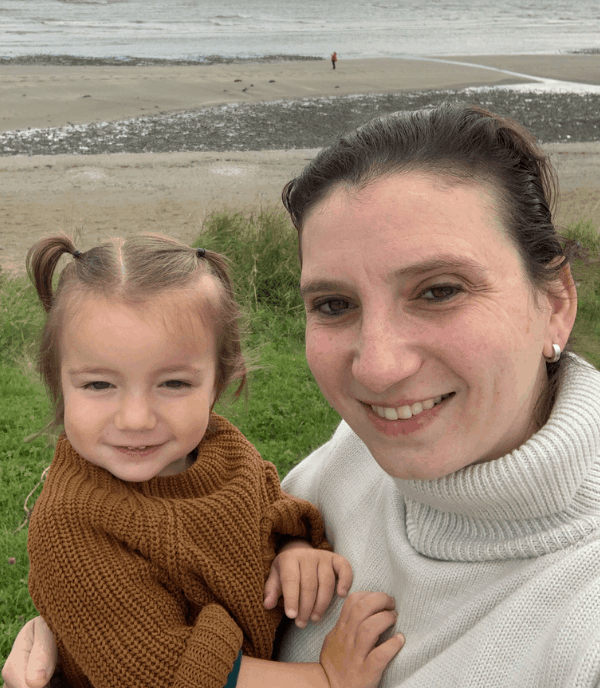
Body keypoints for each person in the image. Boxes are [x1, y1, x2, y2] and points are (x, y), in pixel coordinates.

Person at [7, 101, 600, 686]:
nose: (379, 369)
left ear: (554, 302)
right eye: (334, 304)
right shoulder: (361, 448)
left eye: (440, 290)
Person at [10, 234, 403, 688]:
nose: (135, 418)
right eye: (98, 385)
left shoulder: (221, 446)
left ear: (219, 381)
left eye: (174, 383)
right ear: (58, 382)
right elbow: (156, 672)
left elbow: (268, 507)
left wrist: (293, 551)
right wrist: (325, 678)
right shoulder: (73, 525)